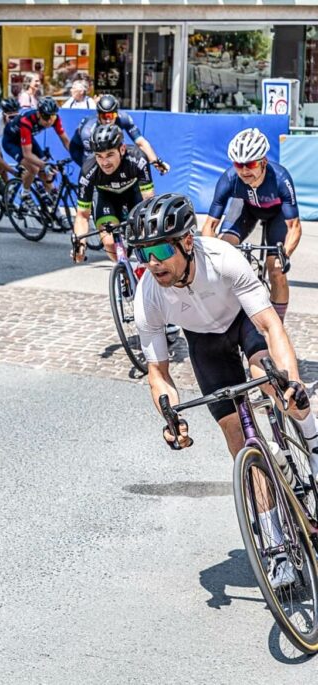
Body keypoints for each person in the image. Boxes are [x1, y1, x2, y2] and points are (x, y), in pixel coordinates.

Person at [129, 193, 318, 588]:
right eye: (145, 252)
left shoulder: (223, 260)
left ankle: (313, 444)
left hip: (244, 324)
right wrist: (170, 416)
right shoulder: (149, 293)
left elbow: (270, 327)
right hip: (205, 343)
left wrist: (294, 382)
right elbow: (158, 372)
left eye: (161, 249)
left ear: (185, 242)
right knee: (237, 435)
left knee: (278, 389)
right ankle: (276, 545)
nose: (153, 262)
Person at [200, 128, 301, 323]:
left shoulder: (280, 179)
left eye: (251, 164)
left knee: (276, 270)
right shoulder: (229, 179)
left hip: (276, 214)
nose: (244, 171)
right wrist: (212, 257)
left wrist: (285, 255)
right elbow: (210, 226)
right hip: (245, 208)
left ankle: (276, 326)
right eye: (239, 164)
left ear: (263, 162)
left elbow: (294, 226)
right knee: (224, 250)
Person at [71, 124, 154, 263]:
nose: (104, 162)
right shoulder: (88, 171)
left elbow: (149, 201)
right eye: (99, 156)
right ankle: (124, 269)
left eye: (109, 155)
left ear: (122, 149)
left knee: (144, 236)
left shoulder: (138, 159)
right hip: (106, 197)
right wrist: (80, 244)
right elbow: (82, 215)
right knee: (109, 243)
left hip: (132, 194)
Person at [69, 94, 169, 174]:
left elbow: (141, 143)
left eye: (111, 115)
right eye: (104, 116)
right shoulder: (88, 130)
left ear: (117, 114)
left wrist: (156, 161)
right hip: (79, 151)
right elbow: (93, 161)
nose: (108, 120)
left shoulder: (123, 118)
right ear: (98, 115)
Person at [2, 96, 70, 196]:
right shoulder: (26, 121)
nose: (50, 121)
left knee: (45, 172)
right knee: (34, 168)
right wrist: (44, 165)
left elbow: (66, 141)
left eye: (53, 116)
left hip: (27, 138)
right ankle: (25, 194)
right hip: (11, 141)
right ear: (38, 114)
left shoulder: (54, 119)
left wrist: (77, 155)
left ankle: (52, 199)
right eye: (46, 117)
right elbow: (27, 154)